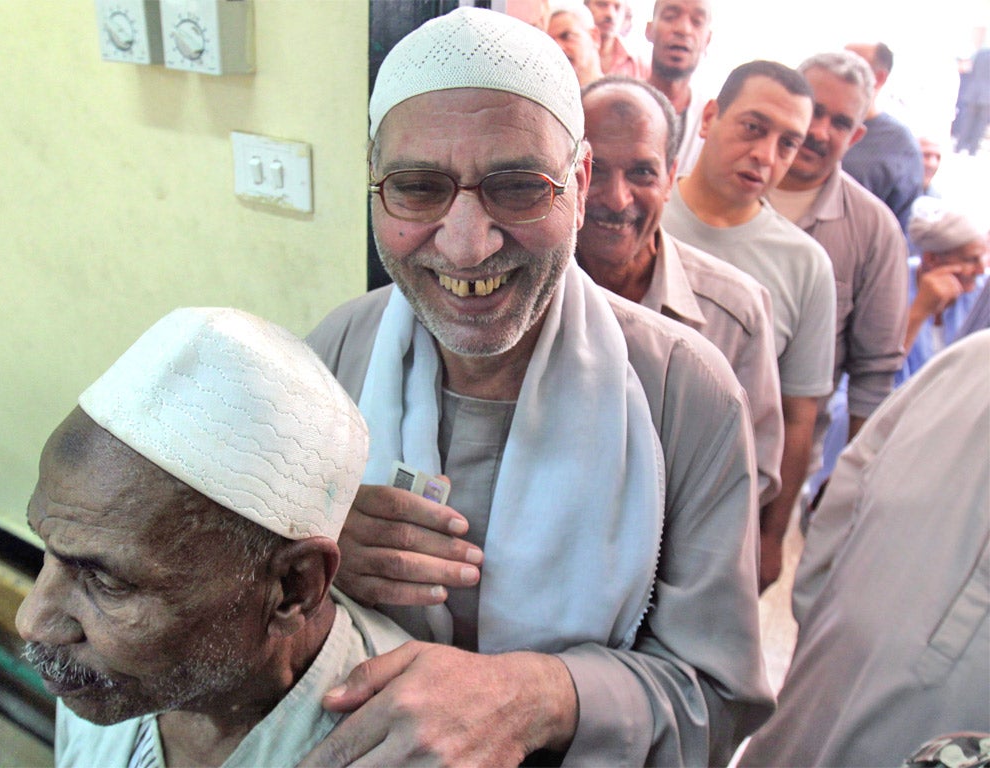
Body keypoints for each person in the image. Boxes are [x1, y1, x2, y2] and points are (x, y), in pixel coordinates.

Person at [303, 8, 773, 765]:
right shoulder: (334, 354)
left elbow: (716, 700)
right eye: (418, 188)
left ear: (578, 184)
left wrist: (541, 696)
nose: (466, 243)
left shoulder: (683, 395)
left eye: (518, 188)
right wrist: (314, 559)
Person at [15, 307, 412, 767]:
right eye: (49, 550)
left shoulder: (415, 746)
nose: (33, 621)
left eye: (106, 583)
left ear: (292, 589)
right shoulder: (103, 680)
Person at [739, 329, 990, 768]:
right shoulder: (971, 361)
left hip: (827, 687)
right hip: (830, 695)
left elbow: (837, 512)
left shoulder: (969, 357)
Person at [662, 60, 837, 590]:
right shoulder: (638, 213)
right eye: (754, 128)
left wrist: (770, 537)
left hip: (711, 522)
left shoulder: (805, 266)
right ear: (710, 116)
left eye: (788, 143)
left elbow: (798, 415)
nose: (766, 155)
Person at [578, 75, 783, 507]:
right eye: (595, 171)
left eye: (641, 172)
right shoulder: (518, 295)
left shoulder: (735, 314)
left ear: (671, 178)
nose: (617, 199)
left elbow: (751, 475)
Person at [766, 51, 908, 512]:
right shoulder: (729, 188)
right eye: (816, 112)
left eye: (841, 122)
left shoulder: (875, 231)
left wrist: (848, 486)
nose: (821, 132)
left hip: (779, 471)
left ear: (858, 136)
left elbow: (874, 374)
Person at [898, 203, 988, 384]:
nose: (980, 269)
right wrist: (919, 311)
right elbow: (874, 377)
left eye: (983, 258)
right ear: (930, 258)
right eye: (970, 259)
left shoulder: (981, 291)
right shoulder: (893, 286)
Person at [841, 42, 925, 236]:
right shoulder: (809, 125)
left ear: (878, 79)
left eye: (849, 67)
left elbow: (902, 225)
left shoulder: (899, 146)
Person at [644, 0, 713, 174]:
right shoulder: (618, 104)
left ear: (708, 40)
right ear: (649, 30)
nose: (684, 30)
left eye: (697, 22)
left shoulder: (712, 122)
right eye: (670, 17)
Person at [586, 0, 651, 79]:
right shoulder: (571, 54)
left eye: (617, 7)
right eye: (602, 5)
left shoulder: (639, 64)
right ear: (586, 7)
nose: (610, 14)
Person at [548, 2, 604, 86]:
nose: (558, 48)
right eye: (551, 42)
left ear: (594, 36)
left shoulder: (620, 94)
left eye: (566, 36)